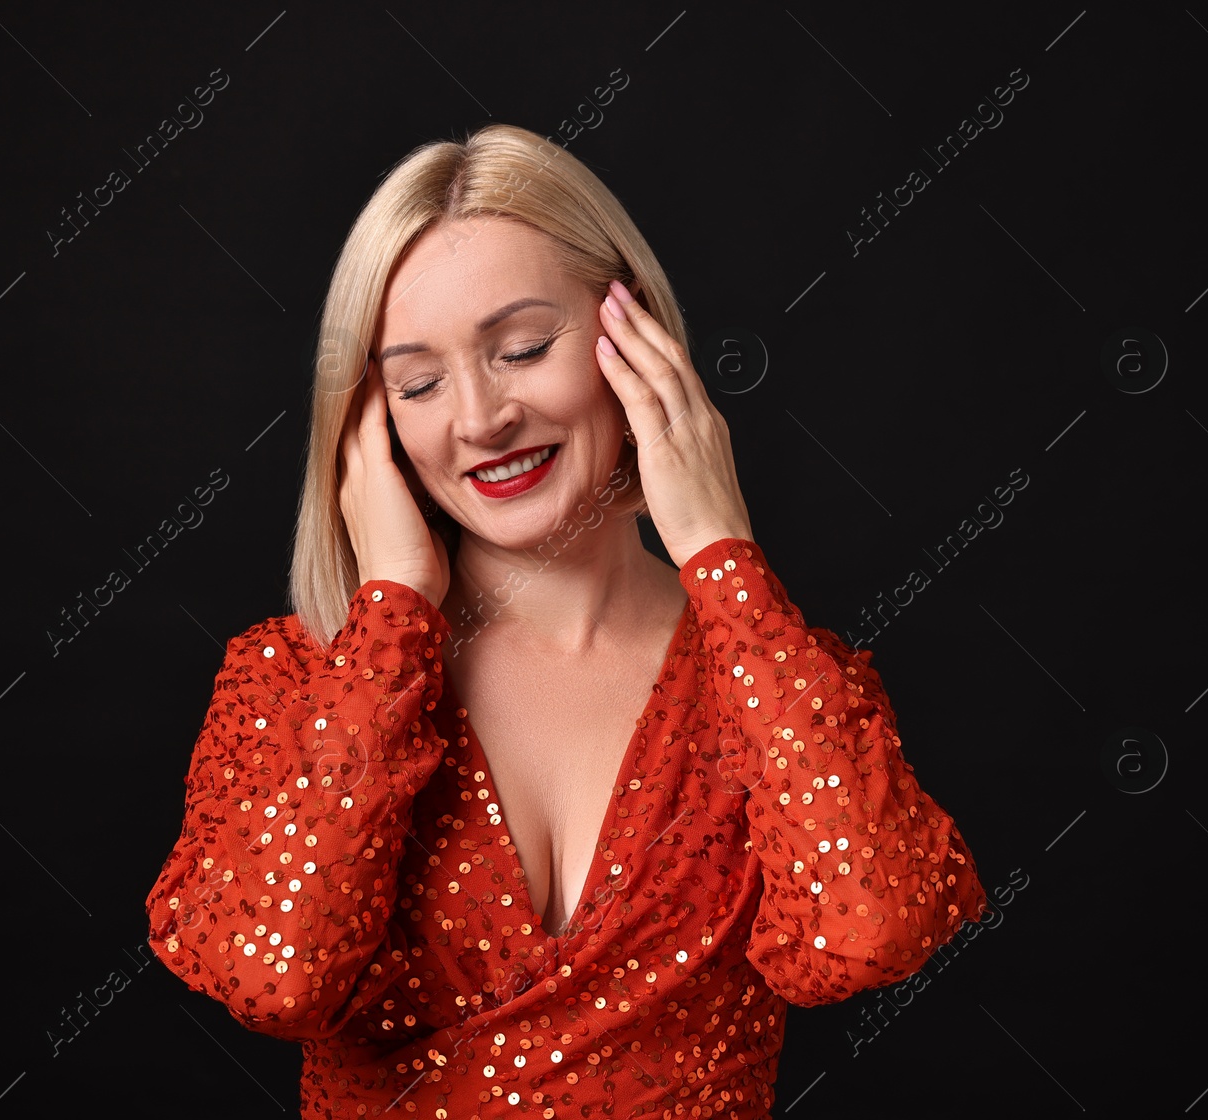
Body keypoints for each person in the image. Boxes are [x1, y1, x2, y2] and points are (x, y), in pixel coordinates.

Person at [145, 122, 988, 1118]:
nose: (478, 417)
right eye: (418, 382)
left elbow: (876, 927)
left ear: (629, 339)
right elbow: (273, 972)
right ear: (371, 423)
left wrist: (723, 558)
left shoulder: (774, 681)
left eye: (521, 348)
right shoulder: (296, 681)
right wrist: (390, 618)